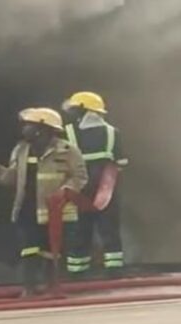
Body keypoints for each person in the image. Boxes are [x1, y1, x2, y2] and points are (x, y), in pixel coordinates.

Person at [0, 108, 88, 296]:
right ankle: (29, 288)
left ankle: (52, 287)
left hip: (56, 210)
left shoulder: (68, 151)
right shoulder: (21, 150)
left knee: (52, 251)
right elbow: (13, 178)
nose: (24, 129)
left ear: (43, 128)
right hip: (27, 209)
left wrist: (64, 192)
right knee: (29, 249)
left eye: (29, 125)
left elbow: (80, 177)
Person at [62, 91, 127, 277]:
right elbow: (121, 163)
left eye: (74, 109)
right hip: (106, 190)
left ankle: (77, 273)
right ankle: (114, 271)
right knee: (110, 230)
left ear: (83, 110)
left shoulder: (68, 132)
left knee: (78, 230)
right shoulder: (113, 132)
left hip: (79, 190)